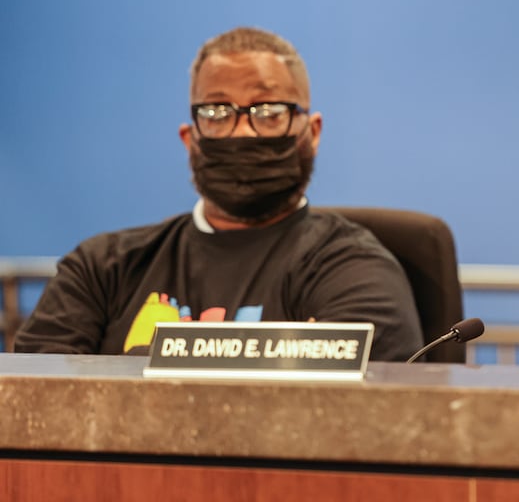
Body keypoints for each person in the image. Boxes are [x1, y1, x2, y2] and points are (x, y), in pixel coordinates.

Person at [15, 26, 424, 361]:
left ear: (312, 133)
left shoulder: (355, 270)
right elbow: (34, 405)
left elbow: (356, 414)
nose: (242, 131)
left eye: (268, 112)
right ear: (189, 137)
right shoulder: (101, 269)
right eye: (216, 112)